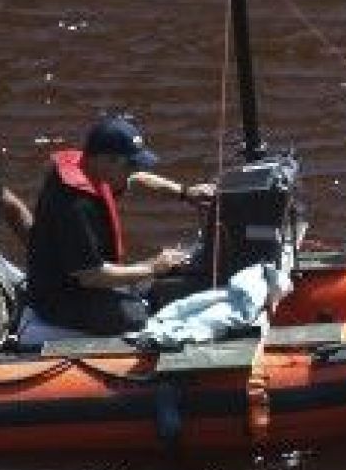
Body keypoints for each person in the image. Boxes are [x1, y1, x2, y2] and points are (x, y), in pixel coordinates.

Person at [18, 114, 215, 346]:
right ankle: (38, 334)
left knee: (170, 282)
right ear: (104, 160)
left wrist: (185, 192)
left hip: (90, 281)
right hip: (61, 299)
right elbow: (91, 276)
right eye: (129, 164)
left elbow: (138, 179)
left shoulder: (93, 168)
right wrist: (153, 266)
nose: (133, 171)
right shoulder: (74, 205)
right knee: (136, 317)